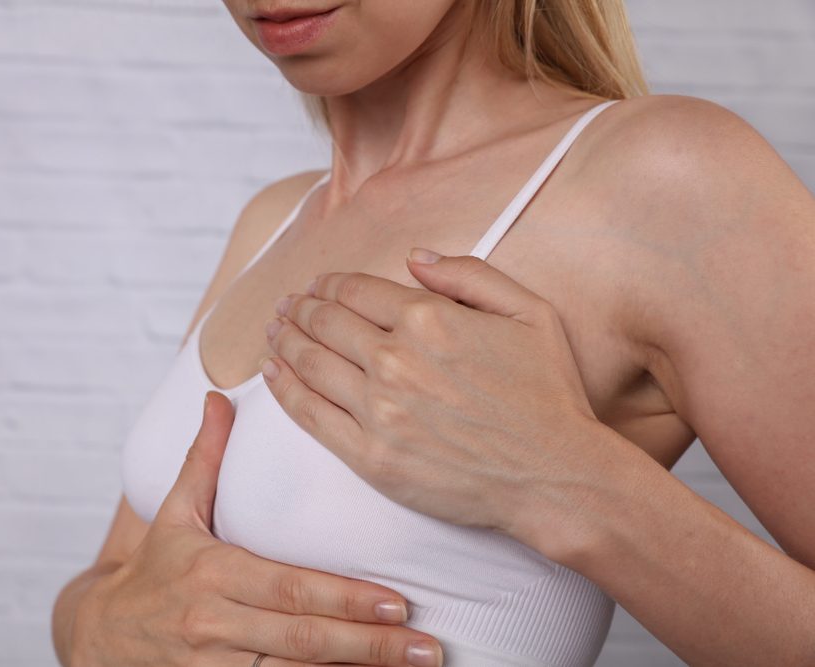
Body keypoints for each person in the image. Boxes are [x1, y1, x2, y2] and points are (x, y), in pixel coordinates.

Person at [52, 1, 815, 666]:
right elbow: (114, 579)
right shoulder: (271, 220)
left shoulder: (667, 179)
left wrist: (565, 480)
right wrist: (89, 627)